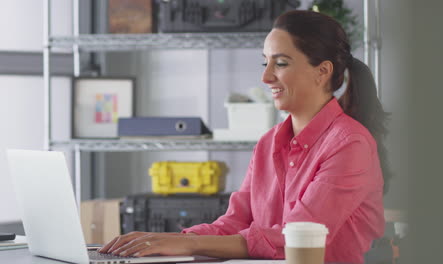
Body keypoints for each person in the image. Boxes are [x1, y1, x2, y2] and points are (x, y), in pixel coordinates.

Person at [98, 10, 391, 264]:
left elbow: (297, 236)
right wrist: (165, 241)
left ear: (322, 72)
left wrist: (189, 244)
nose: (266, 78)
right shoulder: (268, 142)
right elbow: (235, 222)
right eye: (265, 63)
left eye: (281, 63)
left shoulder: (350, 144)